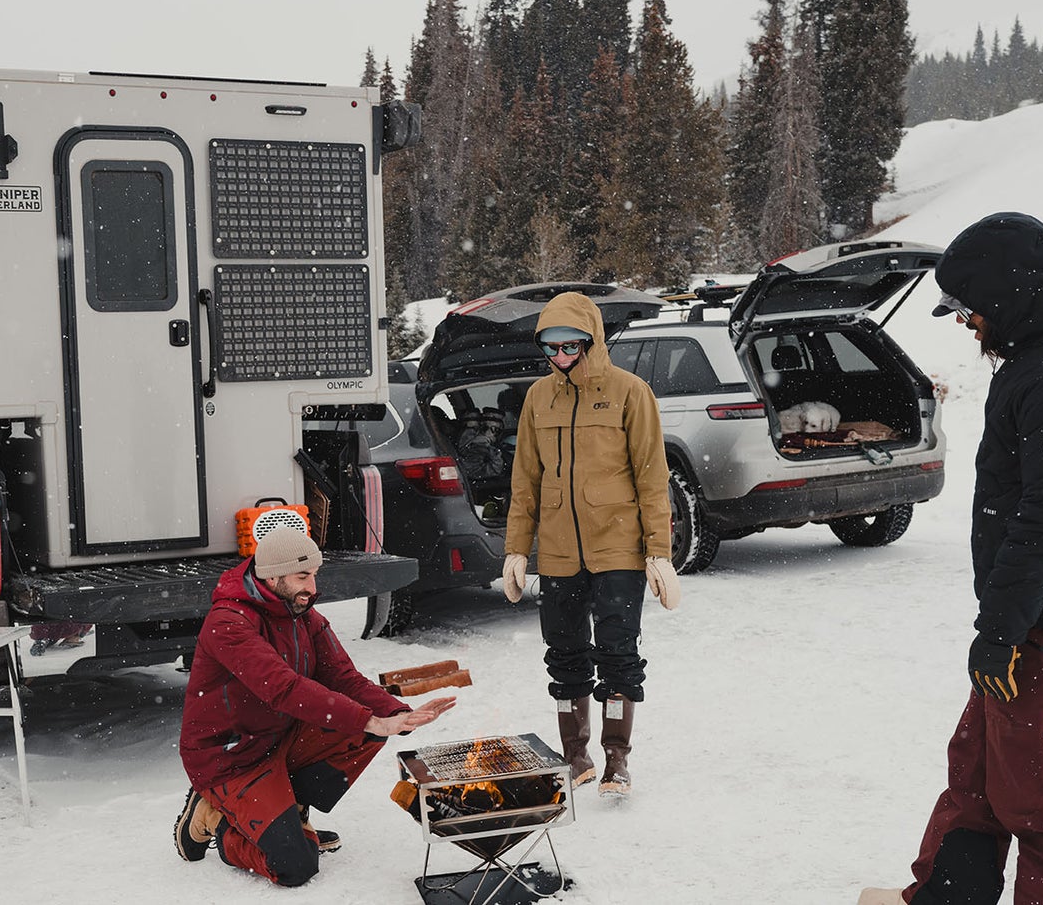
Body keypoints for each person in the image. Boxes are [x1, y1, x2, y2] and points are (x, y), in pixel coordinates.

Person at [860, 213, 1043, 905]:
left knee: (1041, 799)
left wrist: (1002, 629)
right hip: (1031, 615)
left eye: (968, 308)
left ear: (1008, 293)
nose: (965, 324)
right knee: (981, 772)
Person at [174, 528, 455, 886]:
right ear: (272, 576)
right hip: (232, 757)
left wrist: (395, 713)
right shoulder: (228, 623)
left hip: (279, 738)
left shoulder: (301, 611)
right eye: (303, 576)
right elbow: (283, 689)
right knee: (294, 866)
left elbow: (343, 677)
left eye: (315, 575)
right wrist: (369, 720)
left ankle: (289, 812)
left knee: (363, 730)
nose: (312, 585)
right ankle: (216, 821)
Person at [500, 291, 678, 796]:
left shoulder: (629, 392)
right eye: (550, 348)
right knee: (564, 653)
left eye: (570, 346)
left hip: (618, 548)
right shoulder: (538, 398)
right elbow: (525, 480)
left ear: (591, 342)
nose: (560, 357)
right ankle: (575, 755)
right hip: (559, 550)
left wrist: (657, 552)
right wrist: (517, 549)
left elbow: (651, 476)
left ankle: (616, 759)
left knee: (619, 654)